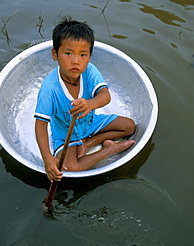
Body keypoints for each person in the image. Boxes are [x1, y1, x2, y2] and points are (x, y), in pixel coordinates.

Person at [34, 17, 135, 182]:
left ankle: (89, 142)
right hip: (64, 133)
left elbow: (105, 95)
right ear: (55, 54)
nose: (76, 61)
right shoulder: (49, 89)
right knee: (71, 169)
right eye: (68, 53)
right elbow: (40, 125)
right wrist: (48, 159)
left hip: (90, 123)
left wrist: (91, 104)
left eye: (83, 55)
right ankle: (109, 150)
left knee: (128, 127)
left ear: (89, 57)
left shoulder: (89, 71)